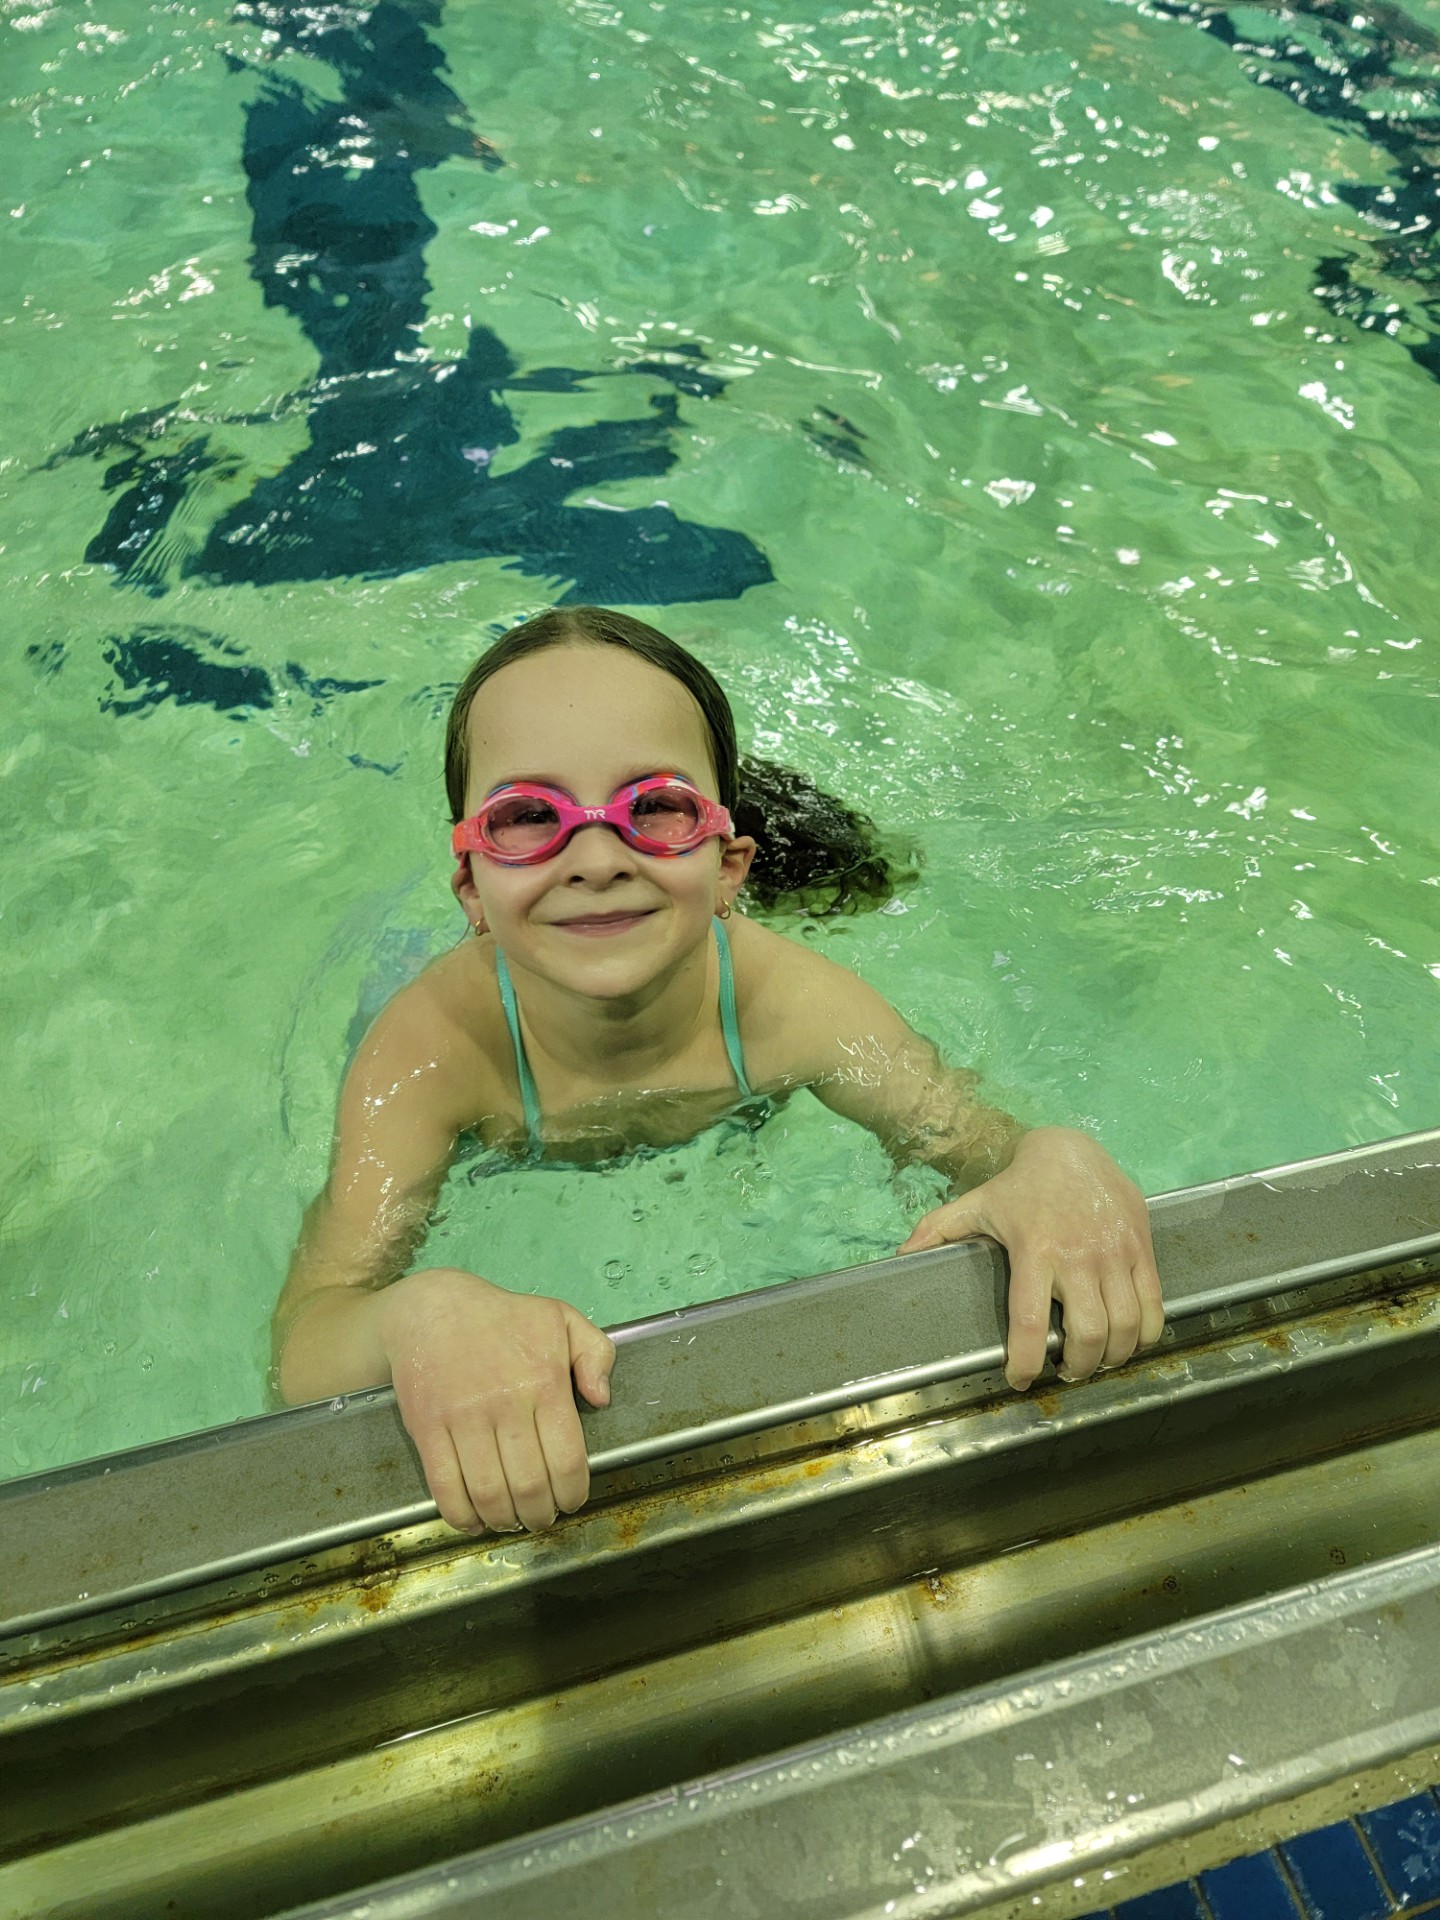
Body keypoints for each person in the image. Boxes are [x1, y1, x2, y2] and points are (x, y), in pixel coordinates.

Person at [273, 606, 1163, 1534]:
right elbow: (307, 1335)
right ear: (471, 889)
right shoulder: (429, 1055)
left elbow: (987, 1147)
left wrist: (1055, 1157)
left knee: (860, 877)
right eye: (528, 818)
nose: (596, 860)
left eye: (653, 808)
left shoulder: (791, 1007)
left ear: (731, 865)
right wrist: (422, 1314)